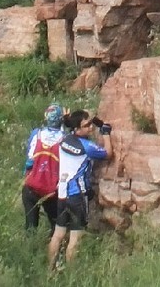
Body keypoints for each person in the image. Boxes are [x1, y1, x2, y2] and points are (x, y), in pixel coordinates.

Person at [47, 110, 113, 270]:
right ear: (77, 129)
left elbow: (69, 125)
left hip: (62, 195)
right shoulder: (87, 147)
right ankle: (71, 274)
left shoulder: (64, 139)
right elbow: (108, 154)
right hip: (77, 196)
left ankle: (50, 271)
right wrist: (106, 134)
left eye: (90, 123)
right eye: (86, 125)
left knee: (58, 234)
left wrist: (70, 119)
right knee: (75, 237)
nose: (90, 127)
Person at [22, 102, 64, 232]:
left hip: (31, 185)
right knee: (56, 226)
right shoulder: (65, 138)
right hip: (51, 191)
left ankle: (31, 249)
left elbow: (29, 161)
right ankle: (55, 249)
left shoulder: (36, 134)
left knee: (30, 226)